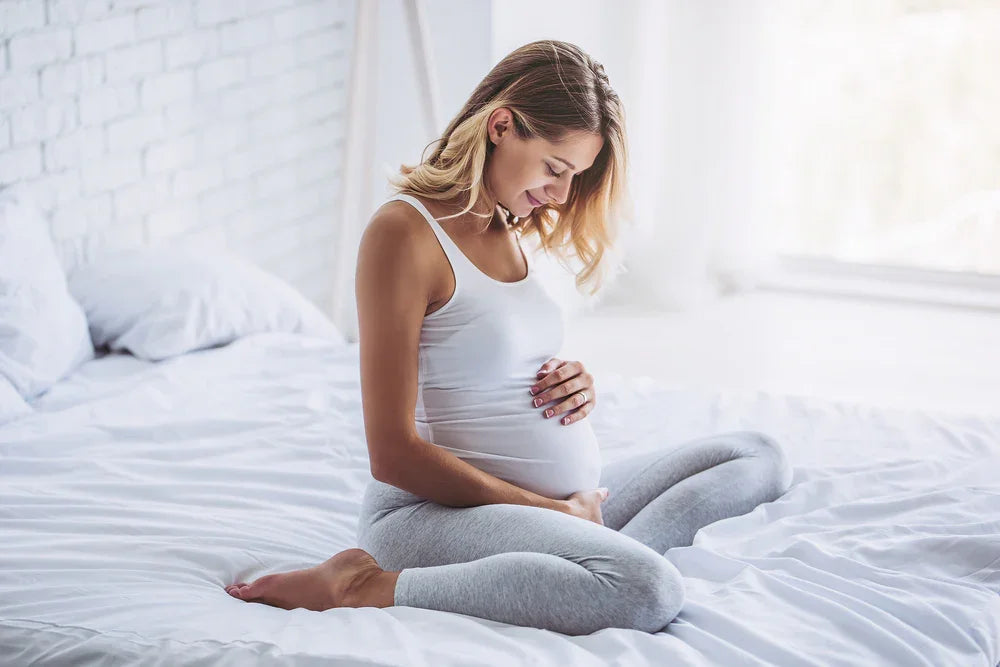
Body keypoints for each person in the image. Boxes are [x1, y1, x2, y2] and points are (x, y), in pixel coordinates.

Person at [225, 39, 793, 636]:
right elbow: (391, 453)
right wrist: (552, 512)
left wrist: (574, 384)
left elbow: (490, 358)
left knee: (756, 455)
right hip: (431, 516)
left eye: (573, 177)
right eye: (555, 168)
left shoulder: (506, 222)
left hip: (550, 507)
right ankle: (366, 586)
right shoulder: (403, 234)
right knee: (645, 590)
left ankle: (578, 552)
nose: (562, 195)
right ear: (501, 126)